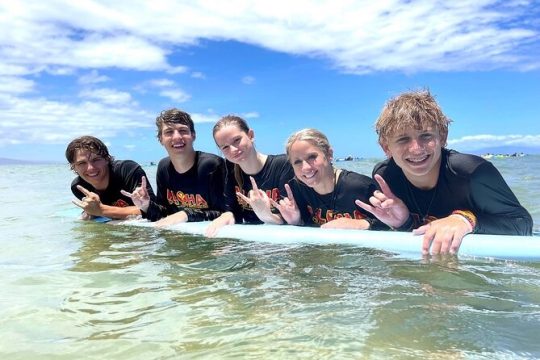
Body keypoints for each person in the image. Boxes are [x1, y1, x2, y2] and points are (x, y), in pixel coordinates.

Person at [355, 90, 533, 255]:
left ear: (443, 137)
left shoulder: (470, 172)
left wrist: (465, 219)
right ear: (386, 147)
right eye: (403, 139)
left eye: (426, 136)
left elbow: (523, 225)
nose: (416, 149)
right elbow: (413, 234)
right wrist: (403, 222)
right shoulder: (386, 176)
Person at [122, 108, 225, 226]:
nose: (176, 137)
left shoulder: (212, 165)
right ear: (160, 139)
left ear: (193, 135)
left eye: (183, 130)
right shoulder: (163, 167)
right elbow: (165, 214)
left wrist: (186, 214)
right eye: (169, 132)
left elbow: (228, 213)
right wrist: (146, 205)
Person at [272, 128, 386, 230]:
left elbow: (393, 224)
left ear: (329, 154)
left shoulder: (360, 187)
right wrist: (296, 221)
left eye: (312, 157)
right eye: (297, 162)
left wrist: (361, 224)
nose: (305, 168)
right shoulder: (298, 190)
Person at [206, 115, 295, 236]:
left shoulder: (283, 164)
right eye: (225, 147)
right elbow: (232, 210)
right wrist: (225, 216)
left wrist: (264, 214)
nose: (233, 149)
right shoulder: (231, 166)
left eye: (237, 140)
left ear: (250, 135)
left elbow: (290, 219)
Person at [66, 135, 156, 220]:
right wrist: (90, 213)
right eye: (82, 163)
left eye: (96, 160)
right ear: (73, 167)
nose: (91, 168)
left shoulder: (127, 171)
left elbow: (156, 210)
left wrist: (102, 210)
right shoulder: (78, 187)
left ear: (107, 159)